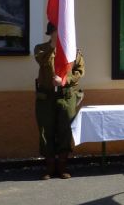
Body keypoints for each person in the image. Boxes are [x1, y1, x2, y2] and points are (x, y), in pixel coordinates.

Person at [34, 22, 85, 179]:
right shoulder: (41, 48)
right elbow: (42, 60)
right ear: (51, 32)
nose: (62, 33)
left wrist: (65, 79)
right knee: (46, 131)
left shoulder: (73, 51)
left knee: (65, 130)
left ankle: (62, 166)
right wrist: (54, 45)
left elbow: (80, 71)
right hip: (46, 96)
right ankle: (50, 167)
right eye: (58, 30)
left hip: (66, 95)